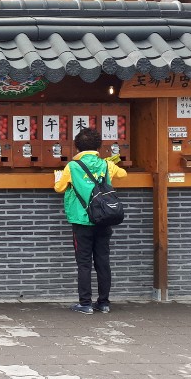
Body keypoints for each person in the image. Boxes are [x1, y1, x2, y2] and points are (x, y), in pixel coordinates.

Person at [54, 127, 128, 315]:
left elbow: (59, 187)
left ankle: (85, 303)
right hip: (103, 219)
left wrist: (57, 177)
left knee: (84, 262)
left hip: (81, 220)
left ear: (77, 146)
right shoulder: (105, 164)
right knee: (103, 261)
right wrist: (109, 166)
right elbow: (123, 174)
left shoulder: (72, 166)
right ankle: (103, 303)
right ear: (99, 146)